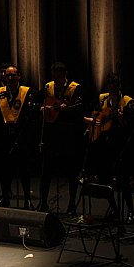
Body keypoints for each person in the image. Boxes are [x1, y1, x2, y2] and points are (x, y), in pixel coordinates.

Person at [82, 73, 134, 224]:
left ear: (119, 86)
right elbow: (93, 114)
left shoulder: (127, 101)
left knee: (123, 179)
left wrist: (121, 119)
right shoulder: (102, 98)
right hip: (103, 145)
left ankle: (131, 212)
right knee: (104, 179)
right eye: (110, 85)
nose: (112, 88)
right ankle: (114, 210)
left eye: (115, 85)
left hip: (120, 144)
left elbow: (132, 126)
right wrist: (93, 120)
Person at [0, 64, 37, 210]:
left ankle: (27, 200)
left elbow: (31, 115)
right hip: (3, 137)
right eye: (8, 75)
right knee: (4, 170)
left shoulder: (27, 92)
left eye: (13, 75)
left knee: (24, 170)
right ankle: (5, 198)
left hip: (21, 137)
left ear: (19, 76)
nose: (10, 78)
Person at [37, 62, 84, 216]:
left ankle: (71, 204)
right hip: (51, 133)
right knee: (46, 169)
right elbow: (38, 103)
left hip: (69, 133)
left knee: (71, 171)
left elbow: (80, 108)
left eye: (58, 74)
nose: (55, 78)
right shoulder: (47, 87)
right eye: (53, 74)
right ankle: (43, 202)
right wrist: (42, 108)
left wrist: (67, 109)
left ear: (64, 74)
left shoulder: (75, 88)